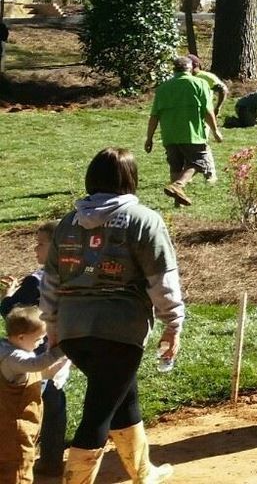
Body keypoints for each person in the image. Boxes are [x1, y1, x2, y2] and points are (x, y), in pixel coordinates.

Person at [41, 148, 183, 484]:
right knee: (98, 412)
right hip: (120, 331)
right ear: (131, 179)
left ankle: (143, 471)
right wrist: (173, 323)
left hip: (74, 330)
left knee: (122, 395)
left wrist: (52, 325)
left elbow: (50, 280)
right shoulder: (145, 220)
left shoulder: (67, 223)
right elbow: (161, 278)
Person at [0, 223, 65, 475]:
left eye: (40, 243)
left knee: (28, 410)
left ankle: (20, 456)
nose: (35, 248)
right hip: (55, 353)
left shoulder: (36, 280)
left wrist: (8, 297)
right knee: (55, 407)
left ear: (56, 246)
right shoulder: (76, 277)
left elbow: (12, 315)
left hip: (32, 358)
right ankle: (51, 462)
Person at [143, 56, 222, 208]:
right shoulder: (200, 83)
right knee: (200, 163)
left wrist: (149, 138)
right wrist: (215, 131)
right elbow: (207, 111)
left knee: (176, 165)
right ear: (191, 68)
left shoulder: (163, 88)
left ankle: (177, 202)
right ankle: (178, 185)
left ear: (174, 70)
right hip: (192, 133)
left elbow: (154, 116)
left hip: (169, 134)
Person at [1, 305, 66, 484]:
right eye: (38, 340)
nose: (40, 343)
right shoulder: (14, 357)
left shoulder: (5, 348)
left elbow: (39, 372)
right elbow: (38, 364)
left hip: (11, 427)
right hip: (15, 428)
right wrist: (62, 347)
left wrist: (60, 363)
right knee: (19, 470)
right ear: (21, 337)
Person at [187, 55, 228, 120]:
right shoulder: (184, 78)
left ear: (195, 64)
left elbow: (223, 89)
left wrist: (218, 107)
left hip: (204, 112)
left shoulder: (206, 76)